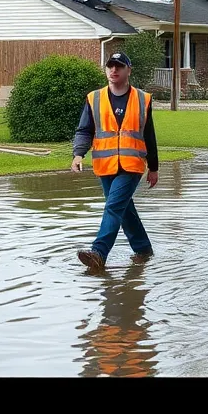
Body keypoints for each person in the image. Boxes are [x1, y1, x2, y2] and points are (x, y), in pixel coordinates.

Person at [72, 51, 159, 270]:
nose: (114, 70)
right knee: (124, 209)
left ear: (128, 70)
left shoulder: (142, 98)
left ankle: (99, 253)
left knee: (113, 206)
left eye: (119, 66)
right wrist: (78, 154)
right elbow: (85, 130)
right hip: (105, 165)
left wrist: (154, 167)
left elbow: (149, 135)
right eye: (110, 66)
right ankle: (143, 250)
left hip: (132, 165)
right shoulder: (94, 98)